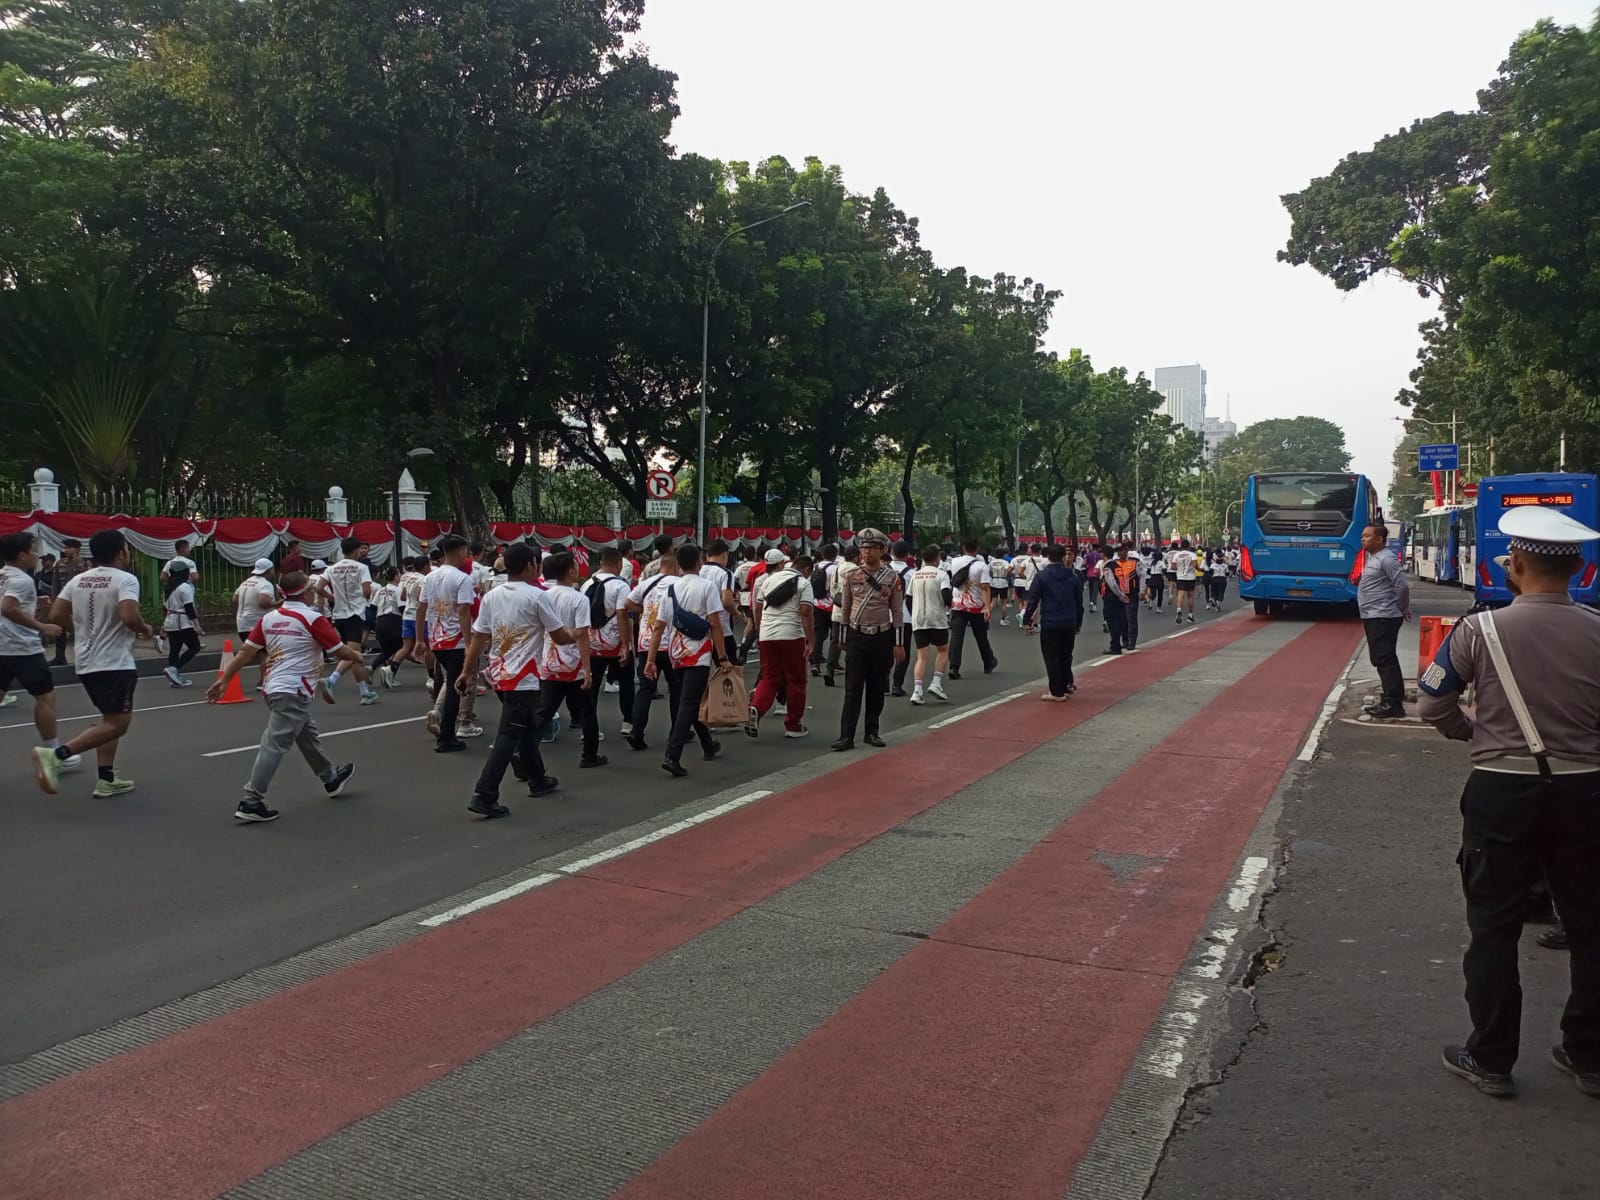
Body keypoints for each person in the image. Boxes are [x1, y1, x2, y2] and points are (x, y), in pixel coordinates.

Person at [1416, 506, 1600, 1099]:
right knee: (1591, 925)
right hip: (1585, 790)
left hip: (1500, 788)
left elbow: (1433, 704)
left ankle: (1490, 1056)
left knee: (1493, 925)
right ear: (1582, 568)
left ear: (1515, 565)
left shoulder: (1479, 630)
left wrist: (1475, 734)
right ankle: (1588, 1054)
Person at [208, 572, 359, 822]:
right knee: (273, 746)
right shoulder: (312, 618)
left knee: (307, 735)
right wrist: (358, 656)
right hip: (293, 691)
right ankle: (251, 801)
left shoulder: (270, 618)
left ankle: (330, 778)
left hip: (274, 688)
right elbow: (338, 649)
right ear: (307, 592)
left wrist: (225, 679)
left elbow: (245, 653)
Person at [33, 530, 153, 797]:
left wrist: (83, 630)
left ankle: (106, 778)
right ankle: (56, 756)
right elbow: (129, 614)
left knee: (108, 720)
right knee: (118, 724)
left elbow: (56, 613)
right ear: (121, 553)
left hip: (86, 661)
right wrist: (144, 628)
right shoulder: (125, 579)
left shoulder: (78, 580)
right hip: (114, 662)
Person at [457, 544, 572, 817]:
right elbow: (559, 636)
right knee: (510, 733)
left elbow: (479, 637)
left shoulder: (492, 596)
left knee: (527, 728)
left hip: (499, 673)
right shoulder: (537, 596)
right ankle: (485, 793)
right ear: (532, 565)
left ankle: (537, 778)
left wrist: (467, 671)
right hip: (524, 677)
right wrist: (577, 635)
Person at [645, 544, 725, 777]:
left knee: (690, 698)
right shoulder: (707, 587)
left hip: (676, 652)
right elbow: (715, 624)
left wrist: (650, 660)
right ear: (699, 561)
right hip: (698, 653)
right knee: (689, 702)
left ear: (678, 563)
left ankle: (708, 744)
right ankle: (673, 754)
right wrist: (723, 657)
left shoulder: (671, 589)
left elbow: (658, 627)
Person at [2, 534, 79, 772]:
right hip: (21, 647)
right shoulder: (22, 580)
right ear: (22, 555)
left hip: (3, 645)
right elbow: (7, 608)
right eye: (34, 551)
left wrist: (35, 603)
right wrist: (42, 626)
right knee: (46, 697)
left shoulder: (4, 575)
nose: (37, 555)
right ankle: (53, 752)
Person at [832, 528, 906, 751]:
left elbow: (897, 611)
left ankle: (871, 732)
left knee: (876, 686)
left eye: (872, 548)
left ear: (882, 550)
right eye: (864, 548)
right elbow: (845, 608)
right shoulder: (851, 575)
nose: (866, 553)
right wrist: (842, 638)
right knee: (852, 688)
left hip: (882, 636)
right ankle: (846, 736)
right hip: (856, 635)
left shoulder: (892, 577)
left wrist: (899, 643)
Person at [535, 551, 600, 768]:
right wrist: (588, 669)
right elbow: (582, 635)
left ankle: (526, 751)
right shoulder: (578, 599)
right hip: (574, 665)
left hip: (549, 662)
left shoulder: (543, 596)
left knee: (544, 712)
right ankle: (589, 755)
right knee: (588, 712)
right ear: (571, 571)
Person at [745, 546, 813, 739]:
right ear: (807, 570)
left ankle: (756, 707)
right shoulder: (803, 583)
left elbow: (758, 609)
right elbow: (806, 613)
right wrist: (811, 641)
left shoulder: (767, 580)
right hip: (792, 635)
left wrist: (759, 632)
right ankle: (793, 725)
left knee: (769, 678)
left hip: (767, 635)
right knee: (796, 680)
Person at [418, 533, 477, 752]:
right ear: (461, 552)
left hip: (436, 638)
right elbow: (464, 612)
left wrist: (419, 639)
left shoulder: (430, 578)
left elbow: (421, 608)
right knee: (456, 687)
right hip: (456, 641)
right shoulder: (462, 579)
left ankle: (445, 730)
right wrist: (470, 643)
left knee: (448, 682)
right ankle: (446, 736)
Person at [623, 550, 680, 750]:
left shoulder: (647, 583)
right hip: (671, 644)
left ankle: (636, 731)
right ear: (675, 567)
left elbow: (628, 602)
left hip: (647, 643)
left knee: (645, 689)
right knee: (676, 689)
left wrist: (645, 611)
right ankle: (677, 732)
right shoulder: (679, 584)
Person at [1357, 522, 1412, 720]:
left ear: (1379, 539)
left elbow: (1402, 586)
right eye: (1363, 535)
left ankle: (1393, 703)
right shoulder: (1374, 558)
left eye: (1367, 536)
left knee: (1385, 658)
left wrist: (1404, 608)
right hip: (1373, 615)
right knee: (1380, 658)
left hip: (1383, 615)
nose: (1363, 539)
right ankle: (1389, 699)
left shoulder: (1387, 559)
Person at [321, 537, 379, 705]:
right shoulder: (362, 567)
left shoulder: (332, 568)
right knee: (354, 653)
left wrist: (331, 597)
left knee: (355, 655)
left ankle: (364, 691)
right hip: (355, 613)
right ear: (355, 551)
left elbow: (318, 587)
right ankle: (332, 679)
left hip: (338, 614)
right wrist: (362, 598)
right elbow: (367, 590)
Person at [1024, 543, 1084, 700]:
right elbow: (1079, 602)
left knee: (1051, 656)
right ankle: (1065, 685)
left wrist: (1027, 619)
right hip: (1069, 621)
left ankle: (1056, 691)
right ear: (1063, 556)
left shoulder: (1042, 576)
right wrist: (1078, 623)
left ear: (1048, 557)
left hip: (1050, 621)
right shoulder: (1073, 576)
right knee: (1066, 655)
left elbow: (1033, 600)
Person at [907, 543, 952, 705]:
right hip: (937, 618)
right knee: (943, 649)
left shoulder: (915, 575)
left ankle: (917, 691)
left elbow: (909, 598)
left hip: (919, 619)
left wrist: (915, 614)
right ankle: (936, 682)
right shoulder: (942, 574)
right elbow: (946, 595)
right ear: (937, 558)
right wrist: (949, 606)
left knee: (922, 655)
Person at [947, 536, 997, 680]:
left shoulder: (955, 562)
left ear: (963, 548)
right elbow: (985, 588)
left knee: (957, 637)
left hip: (957, 605)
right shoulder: (981, 566)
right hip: (976, 606)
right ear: (977, 548)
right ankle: (988, 662)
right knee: (981, 636)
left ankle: (954, 667)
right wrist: (987, 607)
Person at [233, 558, 279, 692]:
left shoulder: (245, 582)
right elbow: (263, 602)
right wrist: (279, 603)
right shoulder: (265, 584)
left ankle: (228, 672)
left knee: (250, 653)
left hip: (242, 622)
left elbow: (235, 599)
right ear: (269, 570)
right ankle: (263, 680)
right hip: (257, 623)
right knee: (269, 652)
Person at [42, 538, 89, 664]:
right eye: (66, 548)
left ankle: (85, 655)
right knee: (60, 628)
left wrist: (79, 563)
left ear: (77, 549)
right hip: (64, 601)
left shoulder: (84, 563)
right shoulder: (60, 563)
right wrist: (54, 601)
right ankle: (60, 656)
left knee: (81, 628)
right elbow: (56, 583)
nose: (67, 550)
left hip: (80, 601)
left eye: (70, 548)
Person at [161, 565, 205, 687]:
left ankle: (174, 677)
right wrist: (197, 624)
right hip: (182, 623)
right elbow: (189, 607)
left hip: (171, 622)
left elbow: (165, 608)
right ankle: (174, 669)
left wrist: (164, 624)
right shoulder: (185, 587)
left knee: (174, 649)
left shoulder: (168, 588)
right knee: (195, 647)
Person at [1101, 542, 1141, 655]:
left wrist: (1120, 594)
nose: (1120, 552)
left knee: (1119, 621)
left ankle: (1118, 645)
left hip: (1116, 596)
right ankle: (1124, 641)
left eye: (1121, 550)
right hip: (1121, 596)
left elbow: (1112, 583)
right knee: (1122, 620)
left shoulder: (1109, 566)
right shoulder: (1117, 564)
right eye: (1118, 550)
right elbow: (1122, 580)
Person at [889, 540, 917, 696]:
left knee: (885, 650)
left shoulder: (883, 570)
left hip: (884, 616)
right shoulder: (913, 573)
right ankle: (897, 685)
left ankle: (883, 683)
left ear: (892, 552)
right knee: (903, 651)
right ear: (908, 555)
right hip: (905, 616)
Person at [370, 567, 403, 680]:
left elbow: (373, 606)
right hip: (393, 620)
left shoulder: (380, 590)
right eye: (399, 574)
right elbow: (402, 607)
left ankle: (371, 667)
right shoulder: (398, 590)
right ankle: (390, 674)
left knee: (387, 651)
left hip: (380, 620)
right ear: (395, 577)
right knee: (402, 648)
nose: (400, 577)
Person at [1169, 539, 1198, 624]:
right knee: (1190, 596)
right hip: (1191, 577)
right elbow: (1195, 565)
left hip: (1180, 577)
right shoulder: (1192, 554)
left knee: (1180, 594)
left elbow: (1173, 567)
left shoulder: (1177, 555)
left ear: (1181, 546)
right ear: (1189, 546)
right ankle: (1190, 615)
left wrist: (1180, 568)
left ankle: (1178, 609)